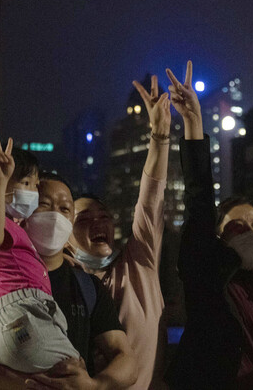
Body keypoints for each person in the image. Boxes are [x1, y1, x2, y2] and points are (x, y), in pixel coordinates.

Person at [162, 61, 253, 389]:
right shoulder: (208, 281)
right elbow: (200, 203)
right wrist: (193, 122)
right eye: (237, 225)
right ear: (218, 236)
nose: (249, 230)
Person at [0, 171, 137, 389]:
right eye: (44, 205)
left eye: (65, 209)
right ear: (22, 212)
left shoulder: (87, 287)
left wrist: (94, 385)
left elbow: (125, 357)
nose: (56, 216)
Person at [67, 75, 170, 390]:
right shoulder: (59, 280)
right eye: (84, 218)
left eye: (105, 216)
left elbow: (150, 202)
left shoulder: (138, 266)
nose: (99, 222)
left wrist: (161, 137)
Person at [0, 133, 80, 372]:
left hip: (4, 328)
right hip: (21, 318)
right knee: (74, 369)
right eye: (26, 183)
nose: (33, 191)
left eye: (34, 185)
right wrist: (0, 181)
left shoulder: (16, 228)